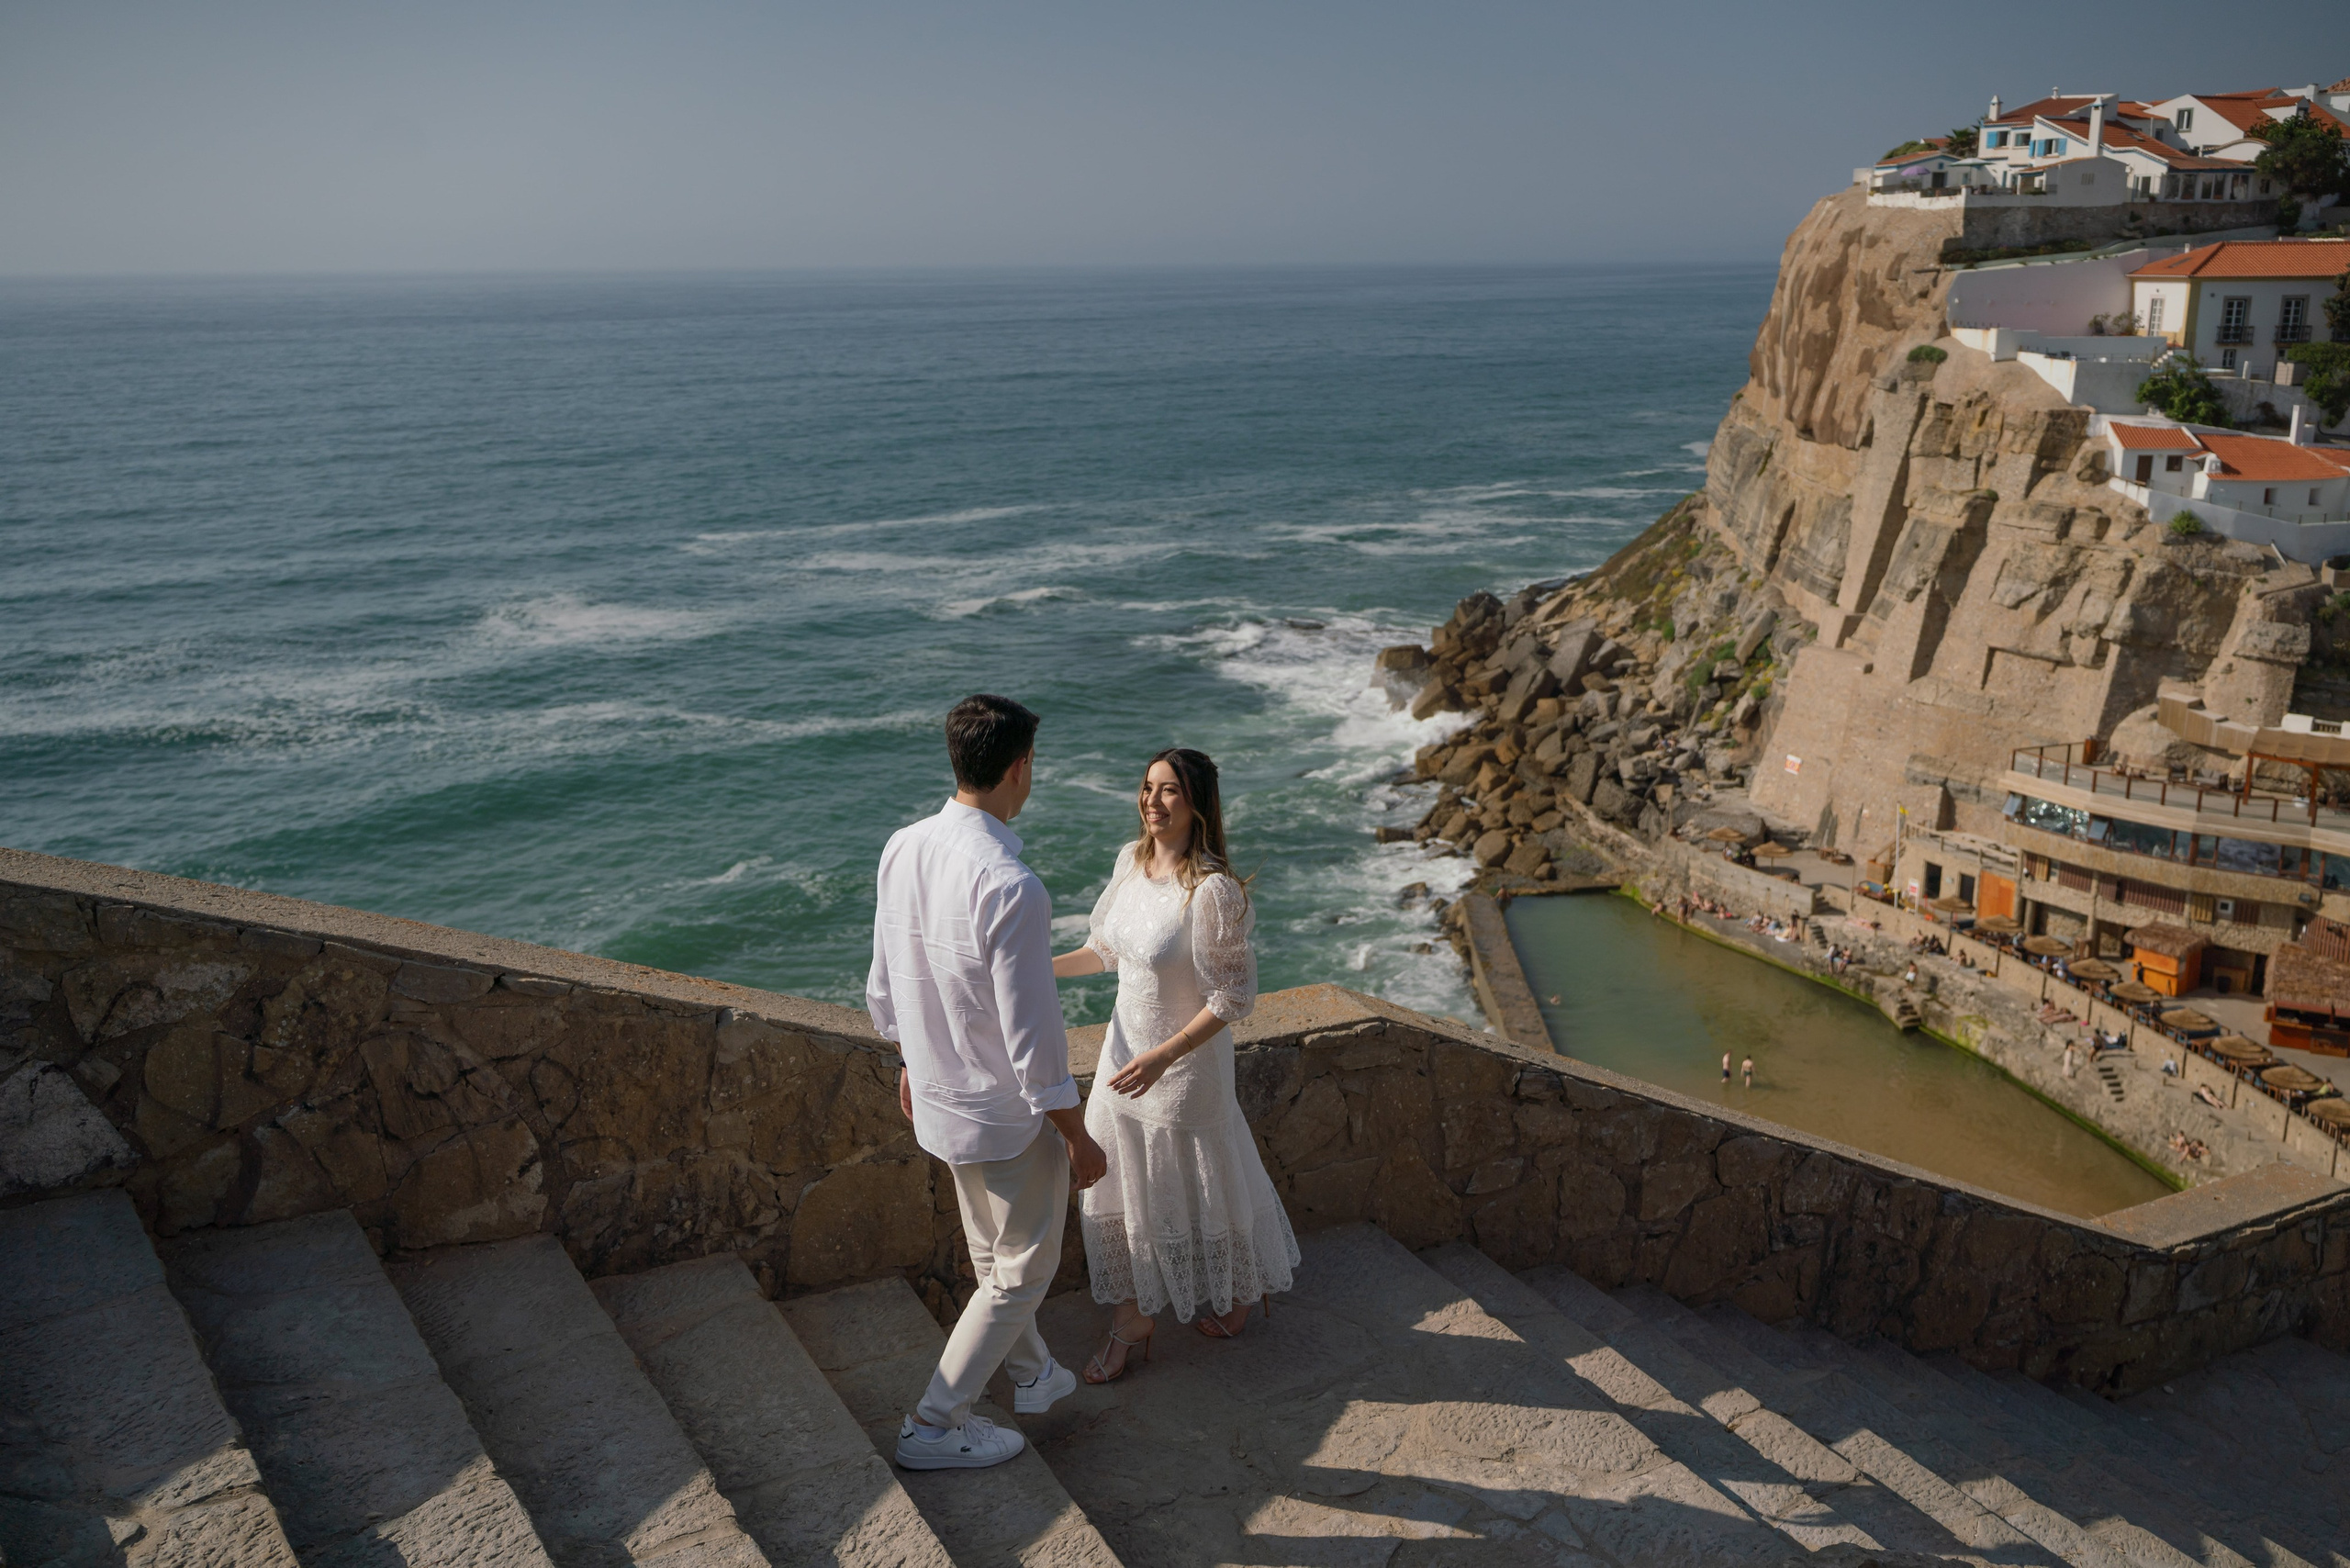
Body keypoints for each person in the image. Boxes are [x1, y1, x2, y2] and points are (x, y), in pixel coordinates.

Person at [868, 695, 1111, 1472]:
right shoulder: (1011, 884)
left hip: (937, 1097)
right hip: (1001, 1114)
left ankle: (1034, 1374)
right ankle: (935, 1424)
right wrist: (1077, 1134)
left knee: (991, 1256)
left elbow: (886, 980)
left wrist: (907, 1057)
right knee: (1019, 1272)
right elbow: (1034, 1037)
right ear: (1020, 769)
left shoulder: (902, 846)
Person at [1052, 747, 1300, 1382]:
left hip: (1181, 1068)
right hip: (1120, 1058)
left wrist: (1165, 1057)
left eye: (1168, 791)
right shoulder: (1129, 864)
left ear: (1196, 805)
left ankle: (1239, 1292)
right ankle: (1134, 1318)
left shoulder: (1212, 891)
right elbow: (1102, 949)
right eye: (1147, 788)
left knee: (1203, 1184)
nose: (1152, 801)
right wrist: (1034, 968)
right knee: (1122, 1188)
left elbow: (1233, 998)